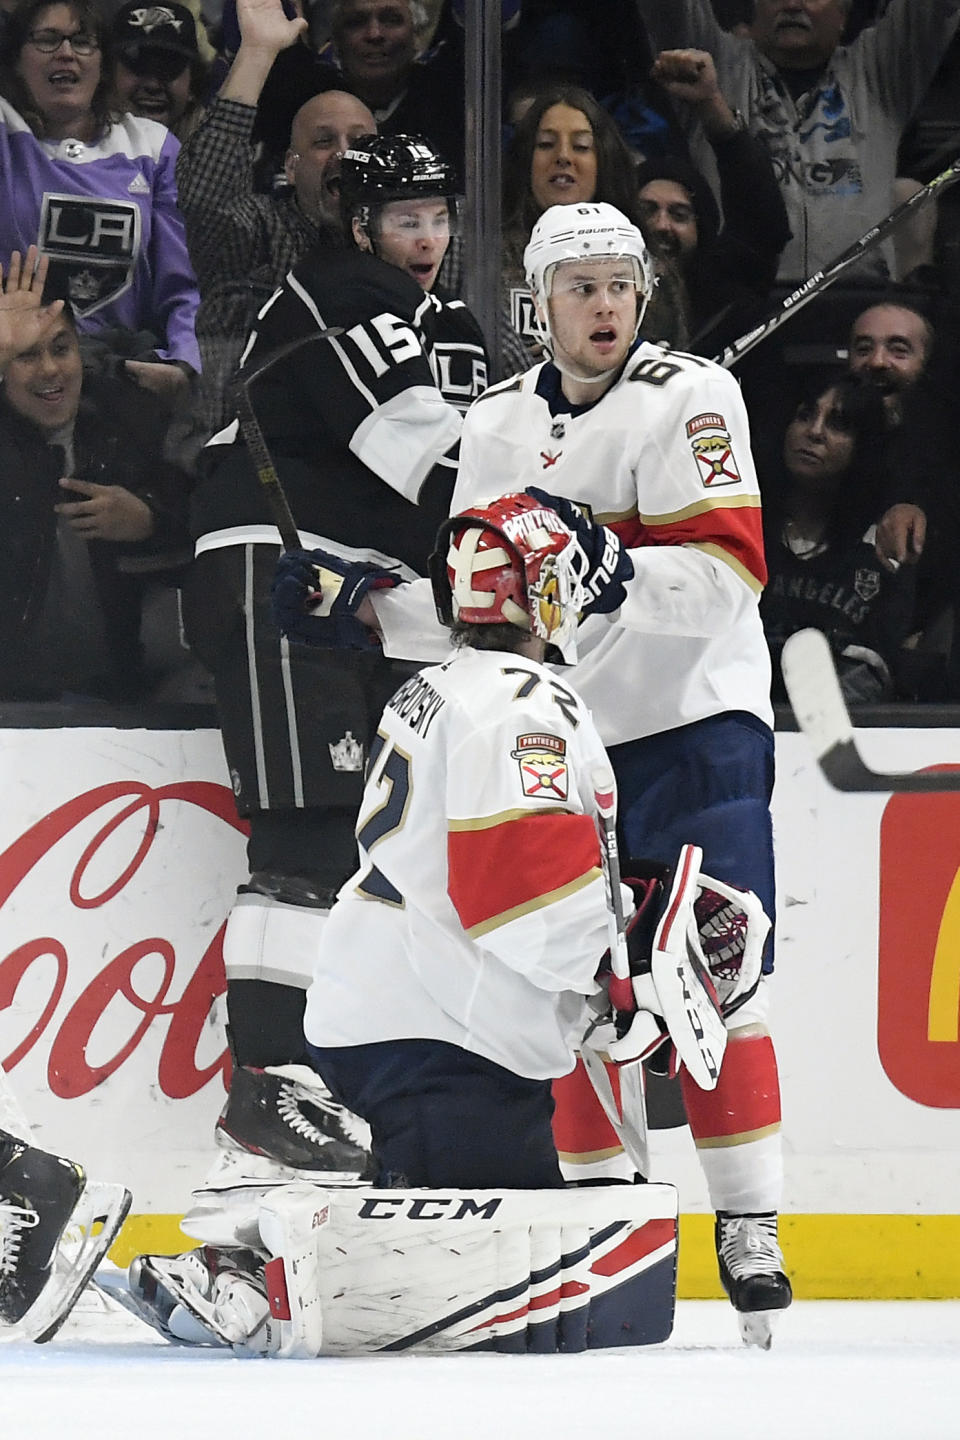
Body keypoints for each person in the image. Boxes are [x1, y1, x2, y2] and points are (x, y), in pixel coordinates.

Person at [331, 202, 790, 1346]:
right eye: (580, 285)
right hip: (572, 732)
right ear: (539, 304)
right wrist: (380, 611)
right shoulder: (496, 423)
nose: (605, 304)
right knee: (573, 987)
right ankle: (587, 1221)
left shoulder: (694, 398)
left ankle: (749, 1220)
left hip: (693, 722)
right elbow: (491, 593)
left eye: (622, 284)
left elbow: (732, 578)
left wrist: (613, 564)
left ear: (645, 294)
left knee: (715, 970)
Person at [175, 132, 489, 1201]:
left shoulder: (435, 318)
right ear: (359, 228)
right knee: (307, 829)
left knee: (345, 833)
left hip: (335, 590)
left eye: (439, 216)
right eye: (406, 218)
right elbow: (429, 465)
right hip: (275, 569)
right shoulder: (344, 290)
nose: (428, 239)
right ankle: (269, 1089)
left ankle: (282, 1103)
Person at [632, 0, 960, 283]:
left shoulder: (881, 74)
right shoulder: (712, 69)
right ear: (753, 8)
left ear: (844, 15)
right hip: (737, 306)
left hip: (858, 303)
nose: (791, 4)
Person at [0, 246, 193, 704]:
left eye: (61, 349)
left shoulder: (130, 413)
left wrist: (150, 520)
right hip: (13, 705)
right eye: (24, 356)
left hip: (126, 694)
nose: (50, 370)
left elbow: (207, 514)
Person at [174, 0, 376, 434]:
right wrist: (257, 53)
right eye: (324, 141)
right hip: (248, 456)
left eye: (359, 140)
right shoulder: (256, 235)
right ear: (290, 165)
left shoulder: (417, 241)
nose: (344, 154)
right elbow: (206, 190)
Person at [0, 0, 201, 398]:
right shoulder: (5, 129)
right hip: (17, 372)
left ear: (102, 64)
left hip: (124, 379)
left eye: (83, 41)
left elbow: (183, 284)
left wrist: (183, 363)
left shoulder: (153, 145)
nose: (66, 52)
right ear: (16, 61)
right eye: (47, 39)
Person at [758, 375, 916, 702]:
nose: (814, 432)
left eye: (838, 425)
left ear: (864, 447)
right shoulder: (746, 529)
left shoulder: (882, 547)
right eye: (804, 416)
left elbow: (871, 679)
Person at [634, 47, 790, 354]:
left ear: (701, 231)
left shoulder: (725, 297)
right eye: (646, 210)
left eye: (679, 215)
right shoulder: (591, 295)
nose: (661, 225)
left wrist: (710, 103)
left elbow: (761, 224)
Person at [500, 82, 642, 357]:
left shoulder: (642, 263)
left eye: (581, 146)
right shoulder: (486, 259)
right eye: (545, 144)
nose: (563, 156)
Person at [111, 0, 212, 141]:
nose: (153, 85)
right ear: (106, 75)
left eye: (168, 69)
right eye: (139, 66)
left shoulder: (216, 154)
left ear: (193, 84)